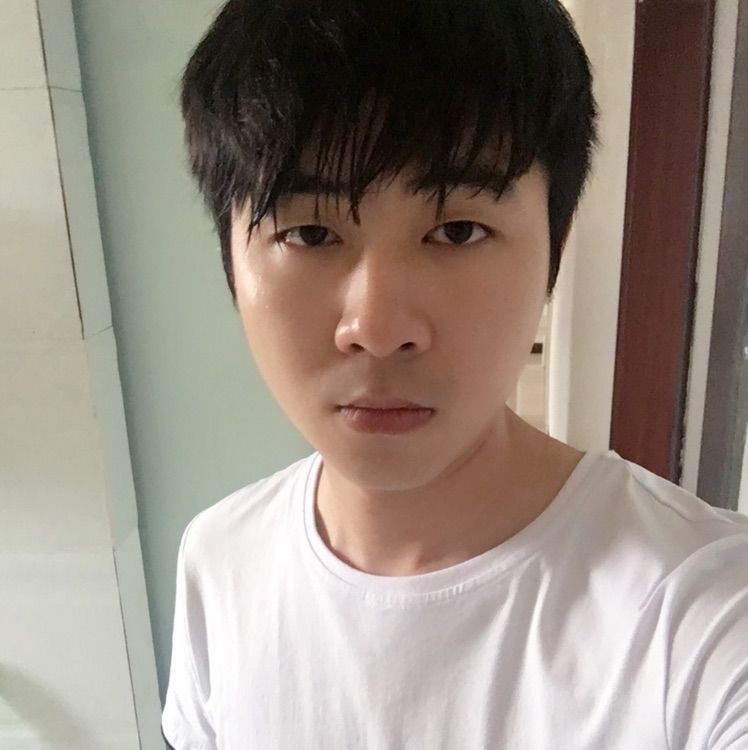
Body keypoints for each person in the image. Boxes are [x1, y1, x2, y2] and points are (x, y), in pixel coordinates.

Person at [161, 0, 748, 747]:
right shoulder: (219, 562)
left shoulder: (699, 610)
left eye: (457, 229)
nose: (378, 328)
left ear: (554, 249)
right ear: (231, 260)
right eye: (309, 232)